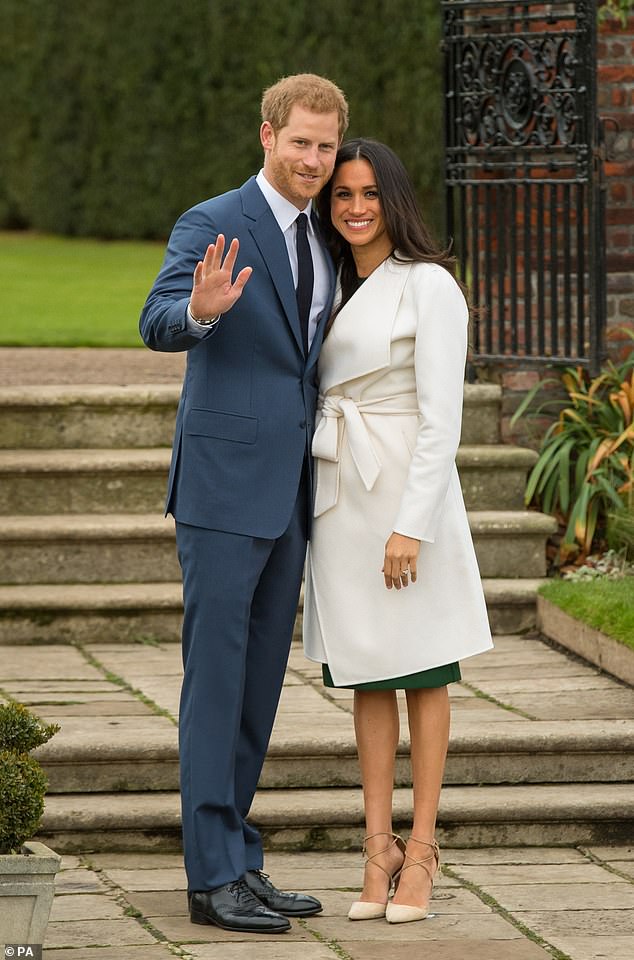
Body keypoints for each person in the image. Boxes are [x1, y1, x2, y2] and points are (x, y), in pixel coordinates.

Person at [139, 74, 348, 934]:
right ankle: (209, 877)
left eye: (326, 146)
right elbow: (155, 319)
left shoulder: (330, 236)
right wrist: (198, 308)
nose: (313, 159)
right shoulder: (213, 221)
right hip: (224, 491)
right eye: (300, 141)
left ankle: (238, 858)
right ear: (267, 135)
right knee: (216, 680)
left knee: (259, 684)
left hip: (293, 493)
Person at [303, 139, 493, 924]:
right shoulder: (326, 282)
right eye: (341, 194)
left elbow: (441, 421)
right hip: (343, 495)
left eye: (369, 193)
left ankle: (421, 851)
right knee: (367, 674)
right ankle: (375, 848)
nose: (353, 206)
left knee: (424, 669)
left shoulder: (430, 286)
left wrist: (411, 527)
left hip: (406, 500)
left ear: (394, 199)